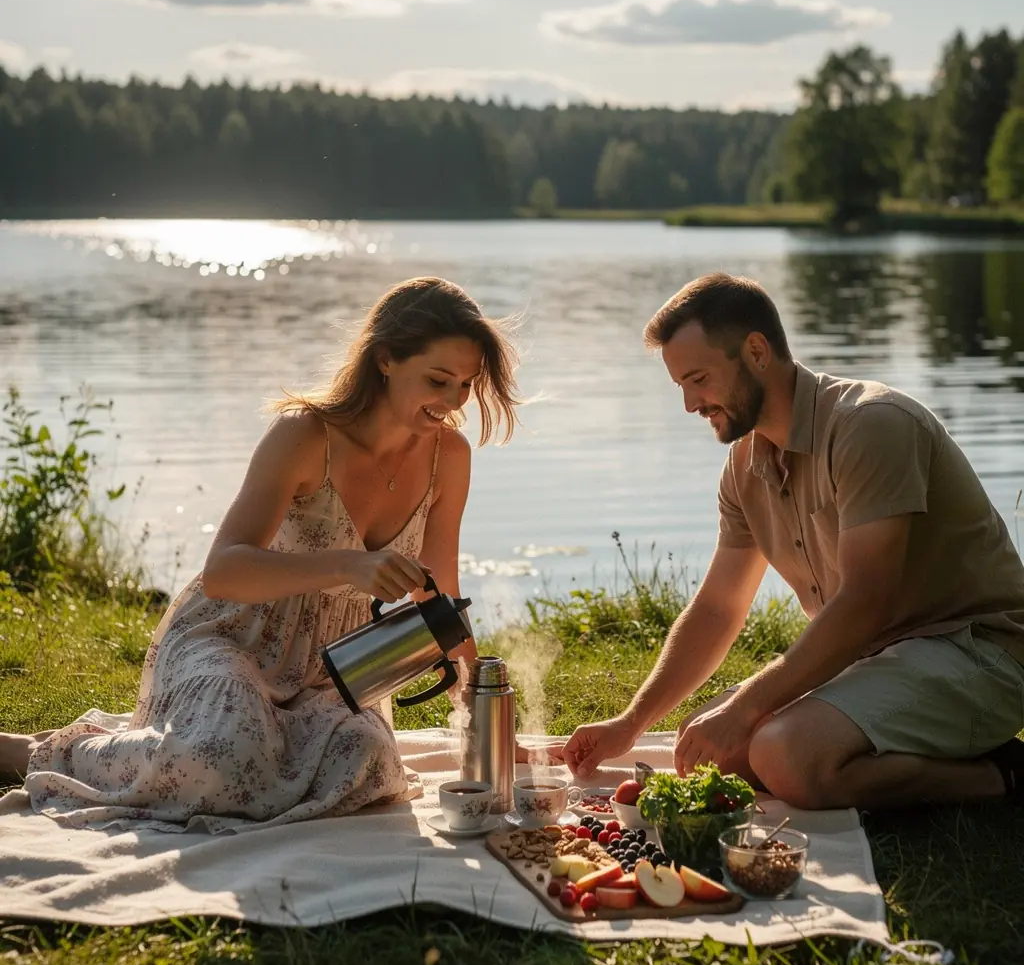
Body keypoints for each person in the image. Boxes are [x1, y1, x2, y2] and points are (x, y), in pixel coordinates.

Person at [0, 276, 522, 832]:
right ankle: (37, 753)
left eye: (465, 385)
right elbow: (224, 570)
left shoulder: (450, 456)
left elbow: (440, 586)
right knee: (225, 753)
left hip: (335, 668)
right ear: (386, 359)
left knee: (369, 764)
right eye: (438, 380)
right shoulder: (306, 435)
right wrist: (349, 565)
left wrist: (476, 687)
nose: (451, 401)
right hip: (233, 637)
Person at [561, 272, 1024, 811]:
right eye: (681, 386)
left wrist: (746, 710)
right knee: (704, 747)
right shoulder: (743, 466)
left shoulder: (870, 425)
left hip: (978, 654)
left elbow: (866, 601)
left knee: (786, 756)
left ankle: (1001, 775)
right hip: (874, 660)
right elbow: (717, 608)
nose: (690, 404)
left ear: (756, 351)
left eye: (699, 379)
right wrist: (632, 722)